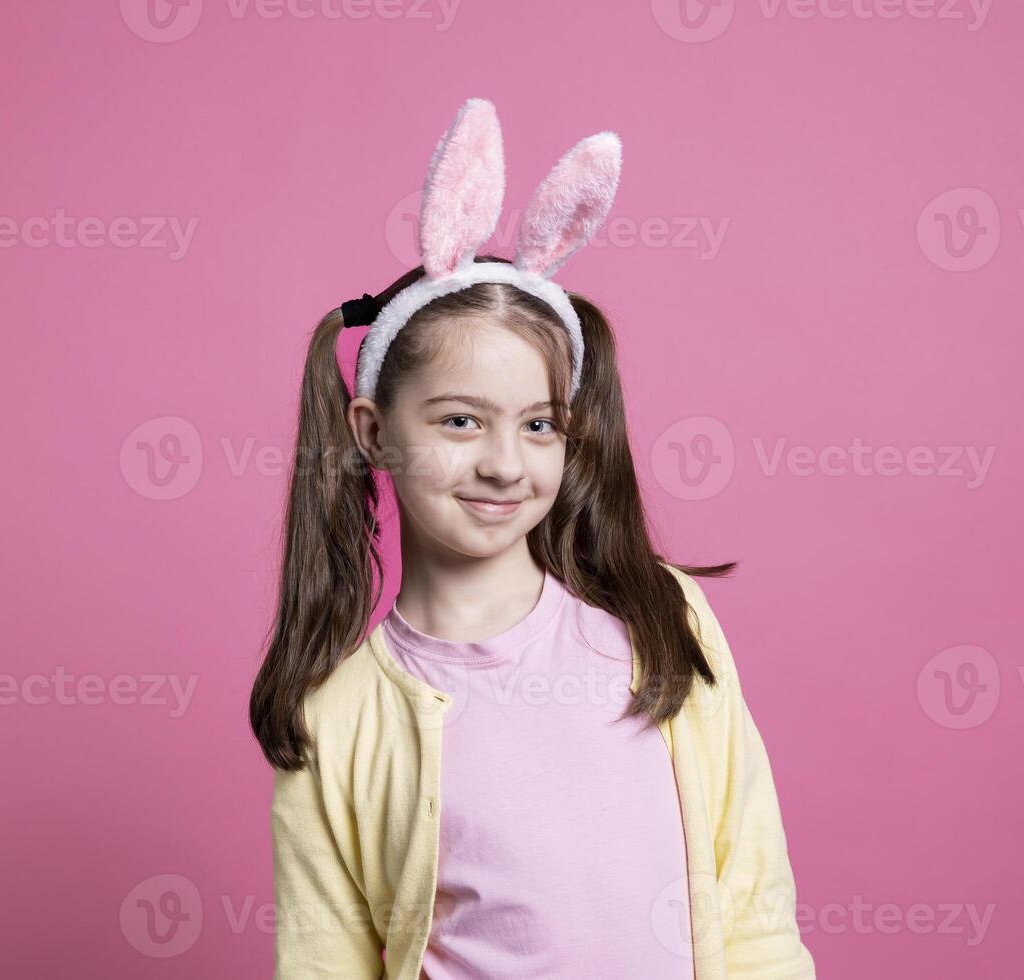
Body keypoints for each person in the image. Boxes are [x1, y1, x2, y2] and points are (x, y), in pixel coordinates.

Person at [250, 97, 817, 980]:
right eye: (461, 421)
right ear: (372, 433)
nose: (505, 465)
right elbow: (327, 963)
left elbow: (752, 896)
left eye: (541, 425)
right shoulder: (338, 721)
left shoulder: (661, 619)